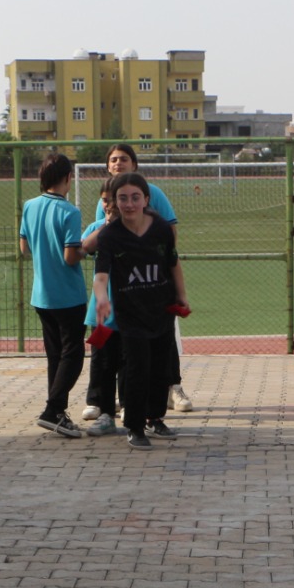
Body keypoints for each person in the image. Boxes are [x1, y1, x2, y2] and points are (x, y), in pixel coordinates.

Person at [91, 143, 195, 414]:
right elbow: (99, 252)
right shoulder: (107, 214)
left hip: (154, 290)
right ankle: (121, 408)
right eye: (113, 159)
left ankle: (170, 392)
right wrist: (102, 296)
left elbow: (170, 244)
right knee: (126, 355)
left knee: (162, 346)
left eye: (123, 159)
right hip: (125, 296)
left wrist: (178, 291)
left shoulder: (153, 202)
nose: (117, 164)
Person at [19, 153, 92, 438]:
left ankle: (57, 412)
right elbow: (70, 256)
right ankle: (52, 409)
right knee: (73, 354)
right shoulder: (70, 212)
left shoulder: (29, 206)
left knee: (55, 355)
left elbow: (24, 249)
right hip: (68, 294)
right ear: (66, 178)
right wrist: (88, 248)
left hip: (41, 294)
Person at [78, 184, 122, 436]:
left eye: (111, 199)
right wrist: (107, 225)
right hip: (103, 308)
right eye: (104, 200)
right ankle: (101, 407)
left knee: (127, 360)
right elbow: (85, 247)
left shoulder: (133, 228)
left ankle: (127, 405)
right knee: (102, 359)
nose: (107, 204)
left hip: (128, 306)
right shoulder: (97, 228)